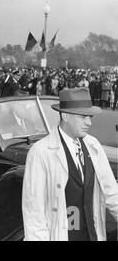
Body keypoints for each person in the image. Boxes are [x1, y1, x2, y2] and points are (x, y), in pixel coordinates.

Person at [22, 88, 118, 241]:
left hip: (92, 235)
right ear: (65, 116)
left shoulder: (93, 145)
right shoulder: (40, 152)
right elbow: (34, 210)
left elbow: (112, 191)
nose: (89, 122)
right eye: (83, 117)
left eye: (90, 116)